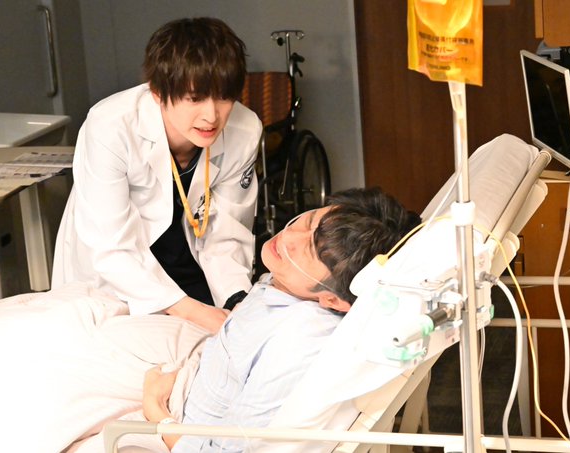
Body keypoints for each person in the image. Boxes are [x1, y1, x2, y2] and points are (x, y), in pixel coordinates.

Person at [137, 187, 422, 452]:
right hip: (186, 375)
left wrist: (157, 411)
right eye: (308, 221)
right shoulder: (287, 285)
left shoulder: (297, 340)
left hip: (172, 419)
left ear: (334, 300)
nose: (289, 237)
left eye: (309, 250)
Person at [51, 17, 262, 334]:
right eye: (195, 98)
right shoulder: (110, 126)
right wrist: (193, 311)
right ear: (158, 92)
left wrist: (236, 300)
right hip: (117, 276)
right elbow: (112, 248)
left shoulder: (244, 130)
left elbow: (227, 233)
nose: (211, 116)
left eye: (224, 97)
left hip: (189, 264)